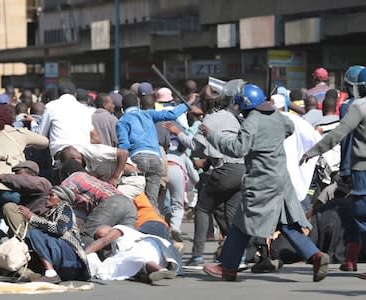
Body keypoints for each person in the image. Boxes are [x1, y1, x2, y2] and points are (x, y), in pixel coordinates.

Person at [201, 83, 329, 282]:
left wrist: (212, 135)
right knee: (287, 225)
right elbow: (289, 128)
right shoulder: (278, 116)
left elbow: (237, 149)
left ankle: (227, 267)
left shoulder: (252, 120)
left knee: (241, 224)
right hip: (281, 180)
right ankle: (316, 255)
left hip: (261, 181)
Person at [164, 84, 245, 266]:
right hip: (241, 170)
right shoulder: (235, 118)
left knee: (202, 208)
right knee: (230, 215)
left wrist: (179, 133)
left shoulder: (210, 119)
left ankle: (197, 255)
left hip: (224, 169)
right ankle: (239, 256)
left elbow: (196, 147)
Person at [300, 68, 366, 279]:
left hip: (361, 172)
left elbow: (338, 134)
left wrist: (312, 152)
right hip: (356, 170)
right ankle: (350, 260)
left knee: (360, 216)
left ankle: (351, 259)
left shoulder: (358, 107)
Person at [0, 105, 49, 271]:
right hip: (10, 182)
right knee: (19, 213)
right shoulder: (20, 134)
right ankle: (25, 253)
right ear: (10, 119)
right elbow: (45, 142)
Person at [116, 93, 197, 209]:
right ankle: (153, 222)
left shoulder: (122, 121)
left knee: (135, 199)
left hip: (137, 159)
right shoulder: (148, 113)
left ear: (122, 108)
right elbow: (172, 114)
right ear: (138, 104)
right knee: (152, 201)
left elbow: (123, 146)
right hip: (156, 159)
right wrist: (188, 103)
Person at [19, 186, 90, 283]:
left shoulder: (65, 208)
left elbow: (59, 229)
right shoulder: (51, 213)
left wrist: (33, 218)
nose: (47, 197)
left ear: (61, 199)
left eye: (51, 195)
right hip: (66, 261)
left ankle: (51, 273)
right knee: (31, 237)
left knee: (35, 234)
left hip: (71, 258)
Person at [59, 159, 137, 246]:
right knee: (124, 242)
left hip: (112, 203)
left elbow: (60, 199)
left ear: (67, 174)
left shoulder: (70, 179)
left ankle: (88, 258)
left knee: (87, 236)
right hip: (129, 204)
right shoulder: (90, 178)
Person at [85, 224, 181, 283]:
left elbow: (104, 241)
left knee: (133, 258)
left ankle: (160, 271)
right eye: (96, 238)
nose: (98, 239)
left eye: (99, 236)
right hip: (158, 255)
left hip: (149, 244)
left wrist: (84, 254)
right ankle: (158, 271)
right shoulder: (114, 251)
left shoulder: (118, 229)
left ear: (108, 230)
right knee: (126, 262)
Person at [0, 161, 52, 238]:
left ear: (28, 171)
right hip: (29, 225)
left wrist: (0, 177)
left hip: (39, 225)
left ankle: (24, 241)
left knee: (10, 207)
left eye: (18, 172)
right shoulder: (26, 193)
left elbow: (22, 180)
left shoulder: (43, 183)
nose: (15, 175)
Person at [39, 82, 100, 161]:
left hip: (60, 154)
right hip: (82, 153)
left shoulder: (50, 106)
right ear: (75, 94)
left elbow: (41, 134)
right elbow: (96, 138)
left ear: (58, 95)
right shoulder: (84, 109)